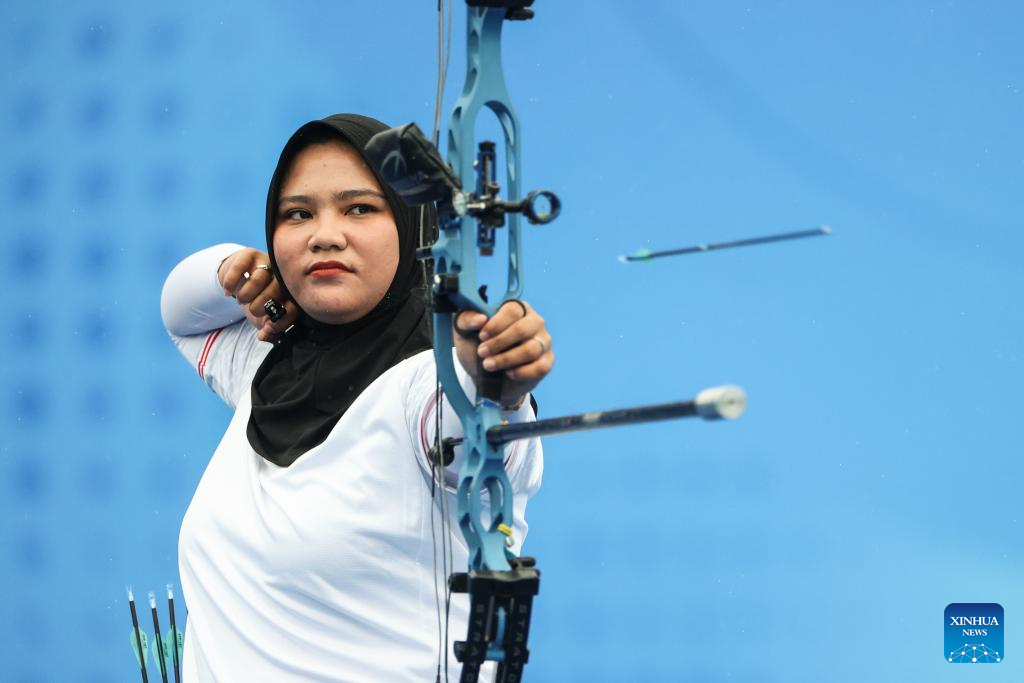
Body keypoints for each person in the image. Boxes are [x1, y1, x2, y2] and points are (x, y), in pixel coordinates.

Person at [160, 114, 552, 682]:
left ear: (413, 227)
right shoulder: (268, 360)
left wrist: (496, 377)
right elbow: (180, 311)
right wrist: (235, 269)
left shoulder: (425, 384)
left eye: (360, 208)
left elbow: (473, 423)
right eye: (297, 214)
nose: (324, 234)